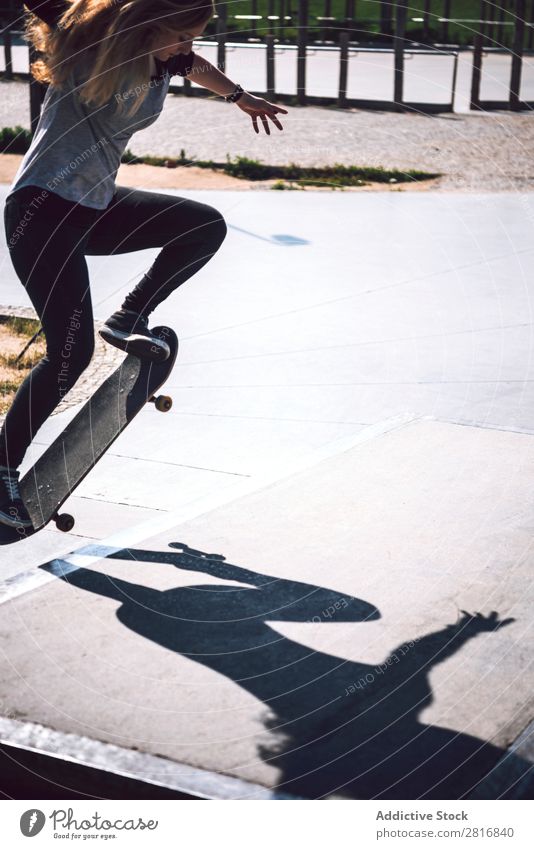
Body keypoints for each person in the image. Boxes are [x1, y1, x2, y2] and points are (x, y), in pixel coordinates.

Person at [0, 0, 287, 529]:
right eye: (180, 36)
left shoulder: (170, 59)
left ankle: (128, 317)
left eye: (193, 37)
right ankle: (1, 468)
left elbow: (196, 66)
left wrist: (240, 97)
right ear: (146, 27)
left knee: (202, 226)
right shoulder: (91, 53)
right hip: (41, 214)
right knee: (69, 352)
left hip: (94, 210)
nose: (187, 47)